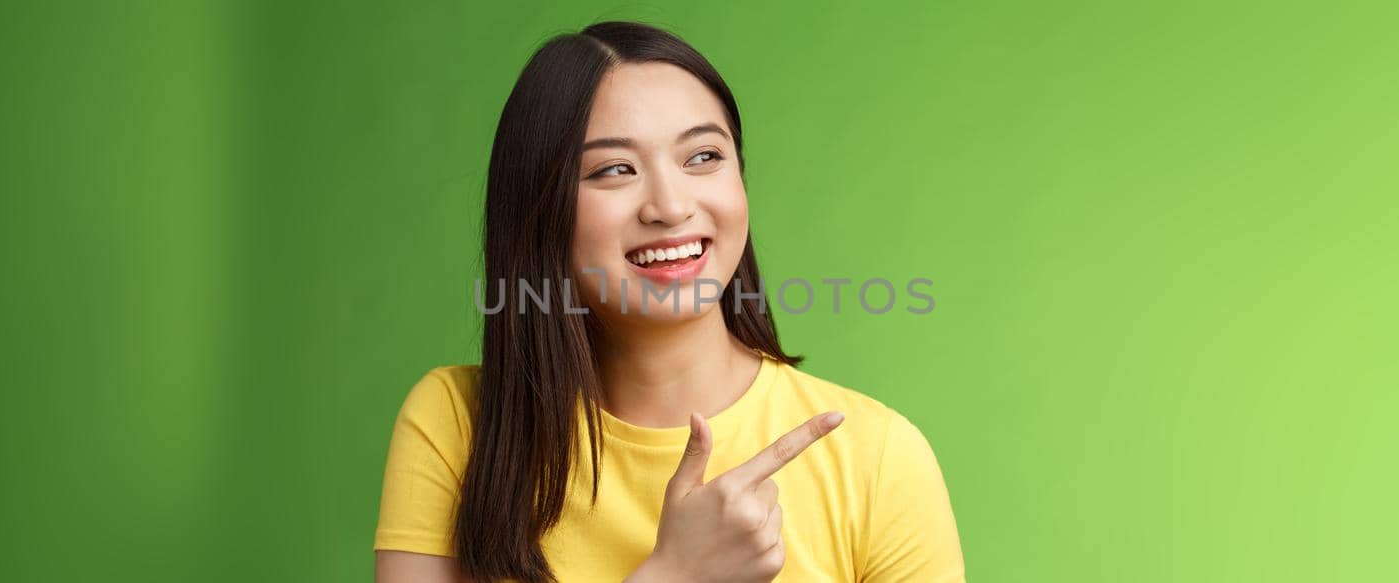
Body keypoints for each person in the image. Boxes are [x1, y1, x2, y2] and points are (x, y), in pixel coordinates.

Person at [374, 21, 964, 583]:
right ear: (539, 209)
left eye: (703, 157)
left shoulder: (879, 456)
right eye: (614, 169)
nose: (670, 205)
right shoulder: (457, 425)